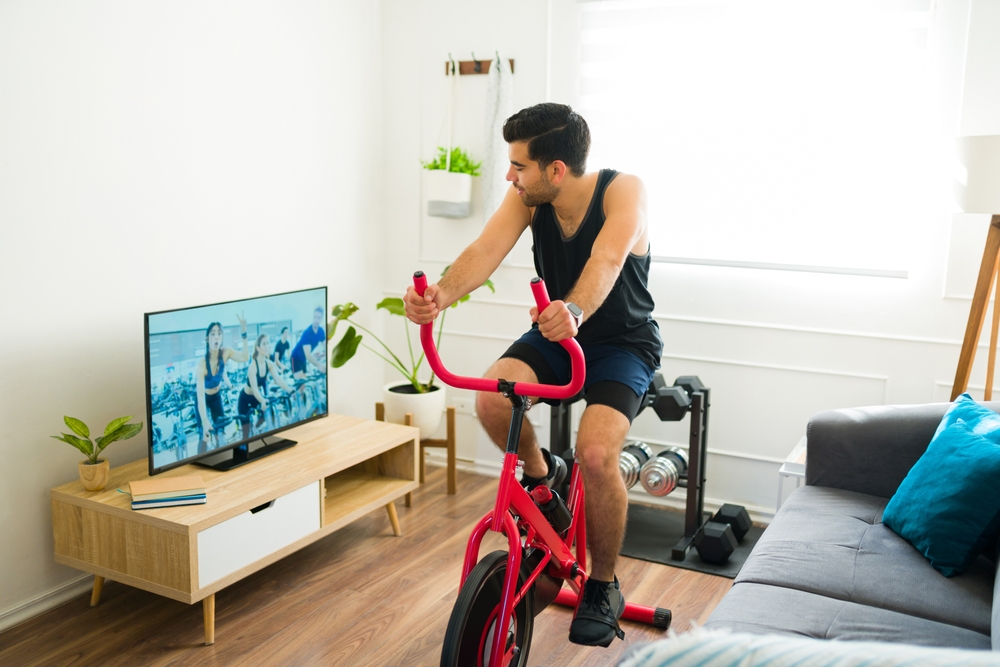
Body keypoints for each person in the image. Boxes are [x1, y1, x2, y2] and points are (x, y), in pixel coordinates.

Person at [404, 103, 662, 648]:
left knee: (596, 453)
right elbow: (485, 250)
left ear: (556, 171)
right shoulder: (527, 196)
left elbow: (608, 260)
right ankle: (546, 479)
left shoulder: (624, 192)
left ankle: (602, 584)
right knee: (493, 401)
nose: (509, 176)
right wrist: (438, 297)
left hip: (620, 343)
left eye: (519, 165)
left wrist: (574, 311)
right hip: (555, 334)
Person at [195, 315, 250, 452]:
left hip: (216, 397)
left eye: (219, 334)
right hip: (203, 399)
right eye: (213, 334)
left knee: (221, 431)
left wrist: (244, 334)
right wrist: (205, 420)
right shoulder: (202, 365)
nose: (216, 337)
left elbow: (244, 357)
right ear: (207, 339)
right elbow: (200, 397)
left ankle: (221, 455)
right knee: (205, 434)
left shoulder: (226, 353)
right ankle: (199, 459)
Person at [238, 333, 294, 440]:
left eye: (268, 343)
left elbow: (278, 379)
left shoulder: (269, 364)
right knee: (245, 434)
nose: (267, 346)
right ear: (258, 348)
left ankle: (254, 429)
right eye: (264, 344)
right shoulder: (253, 367)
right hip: (245, 398)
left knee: (266, 414)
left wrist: (289, 389)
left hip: (256, 396)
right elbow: (254, 389)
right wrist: (263, 400)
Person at [290, 308, 327, 379]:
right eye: (315, 317)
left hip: (303, 359)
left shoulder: (321, 331)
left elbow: (326, 347)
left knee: (305, 383)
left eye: (319, 318)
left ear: (322, 319)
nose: (316, 320)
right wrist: (319, 365)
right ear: (312, 317)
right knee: (301, 383)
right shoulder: (307, 333)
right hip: (296, 358)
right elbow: (308, 355)